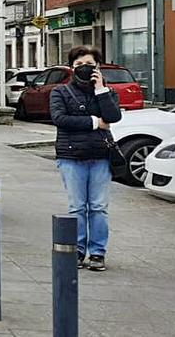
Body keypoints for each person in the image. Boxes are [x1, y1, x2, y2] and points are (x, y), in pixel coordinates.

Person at [50, 45, 120, 272]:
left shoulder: (106, 92)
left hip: (100, 156)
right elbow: (60, 118)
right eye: (78, 64)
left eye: (88, 64)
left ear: (97, 67)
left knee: (98, 207)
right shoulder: (60, 92)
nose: (83, 68)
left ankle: (98, 252)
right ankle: (77, 251)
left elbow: (112, 117)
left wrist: (100, 89)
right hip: (71, 156)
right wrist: (94, 122)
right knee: (77, 207)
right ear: (71, 68)